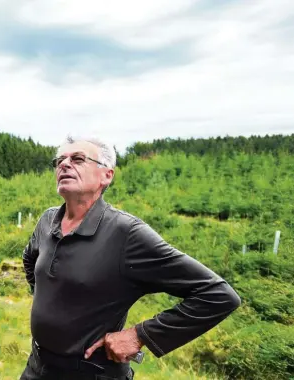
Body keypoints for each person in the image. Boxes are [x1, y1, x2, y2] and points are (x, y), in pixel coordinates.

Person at [20, 136, 241, 380]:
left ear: (106, 175)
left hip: (91, 373)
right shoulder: (48, 220)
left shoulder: (126, 234)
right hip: (37, 367)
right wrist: (47, 295)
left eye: (78, 159)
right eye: (59, 160)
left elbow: (218, 295)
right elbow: (30, 257)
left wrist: (139, 335)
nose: (64, 164)